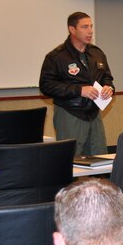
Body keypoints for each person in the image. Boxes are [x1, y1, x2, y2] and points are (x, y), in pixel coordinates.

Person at [39, 12, 115, 156]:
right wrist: (78, 90)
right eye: (85, 27)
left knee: (99, 158)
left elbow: (107, 78)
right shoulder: (56, 56)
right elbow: (46, 86)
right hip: (70, 113)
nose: (90, 31)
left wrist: (109, 88)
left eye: (91, 26)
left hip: (94, 113)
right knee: (71, 160)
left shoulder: (97, 53)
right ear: (72, 29)